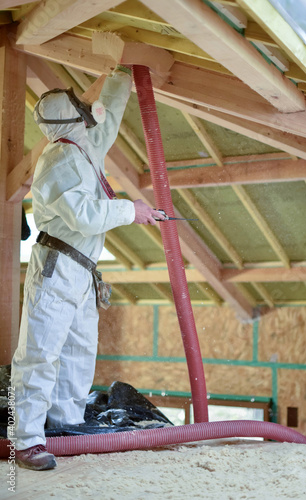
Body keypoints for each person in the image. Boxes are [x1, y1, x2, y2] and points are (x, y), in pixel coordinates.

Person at [10, 65, 165, 471]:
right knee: (40, 352)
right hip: (58, 265)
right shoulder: (59, 159)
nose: (90, 112)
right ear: (73, 119)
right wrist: (134, 210)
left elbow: (108, 117)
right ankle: (26, 441)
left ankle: (66, 426)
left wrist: (120, 74)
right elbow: (83, 215)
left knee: (79, 351)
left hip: (79, 268)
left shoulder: (82, 146)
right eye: (82, 108)